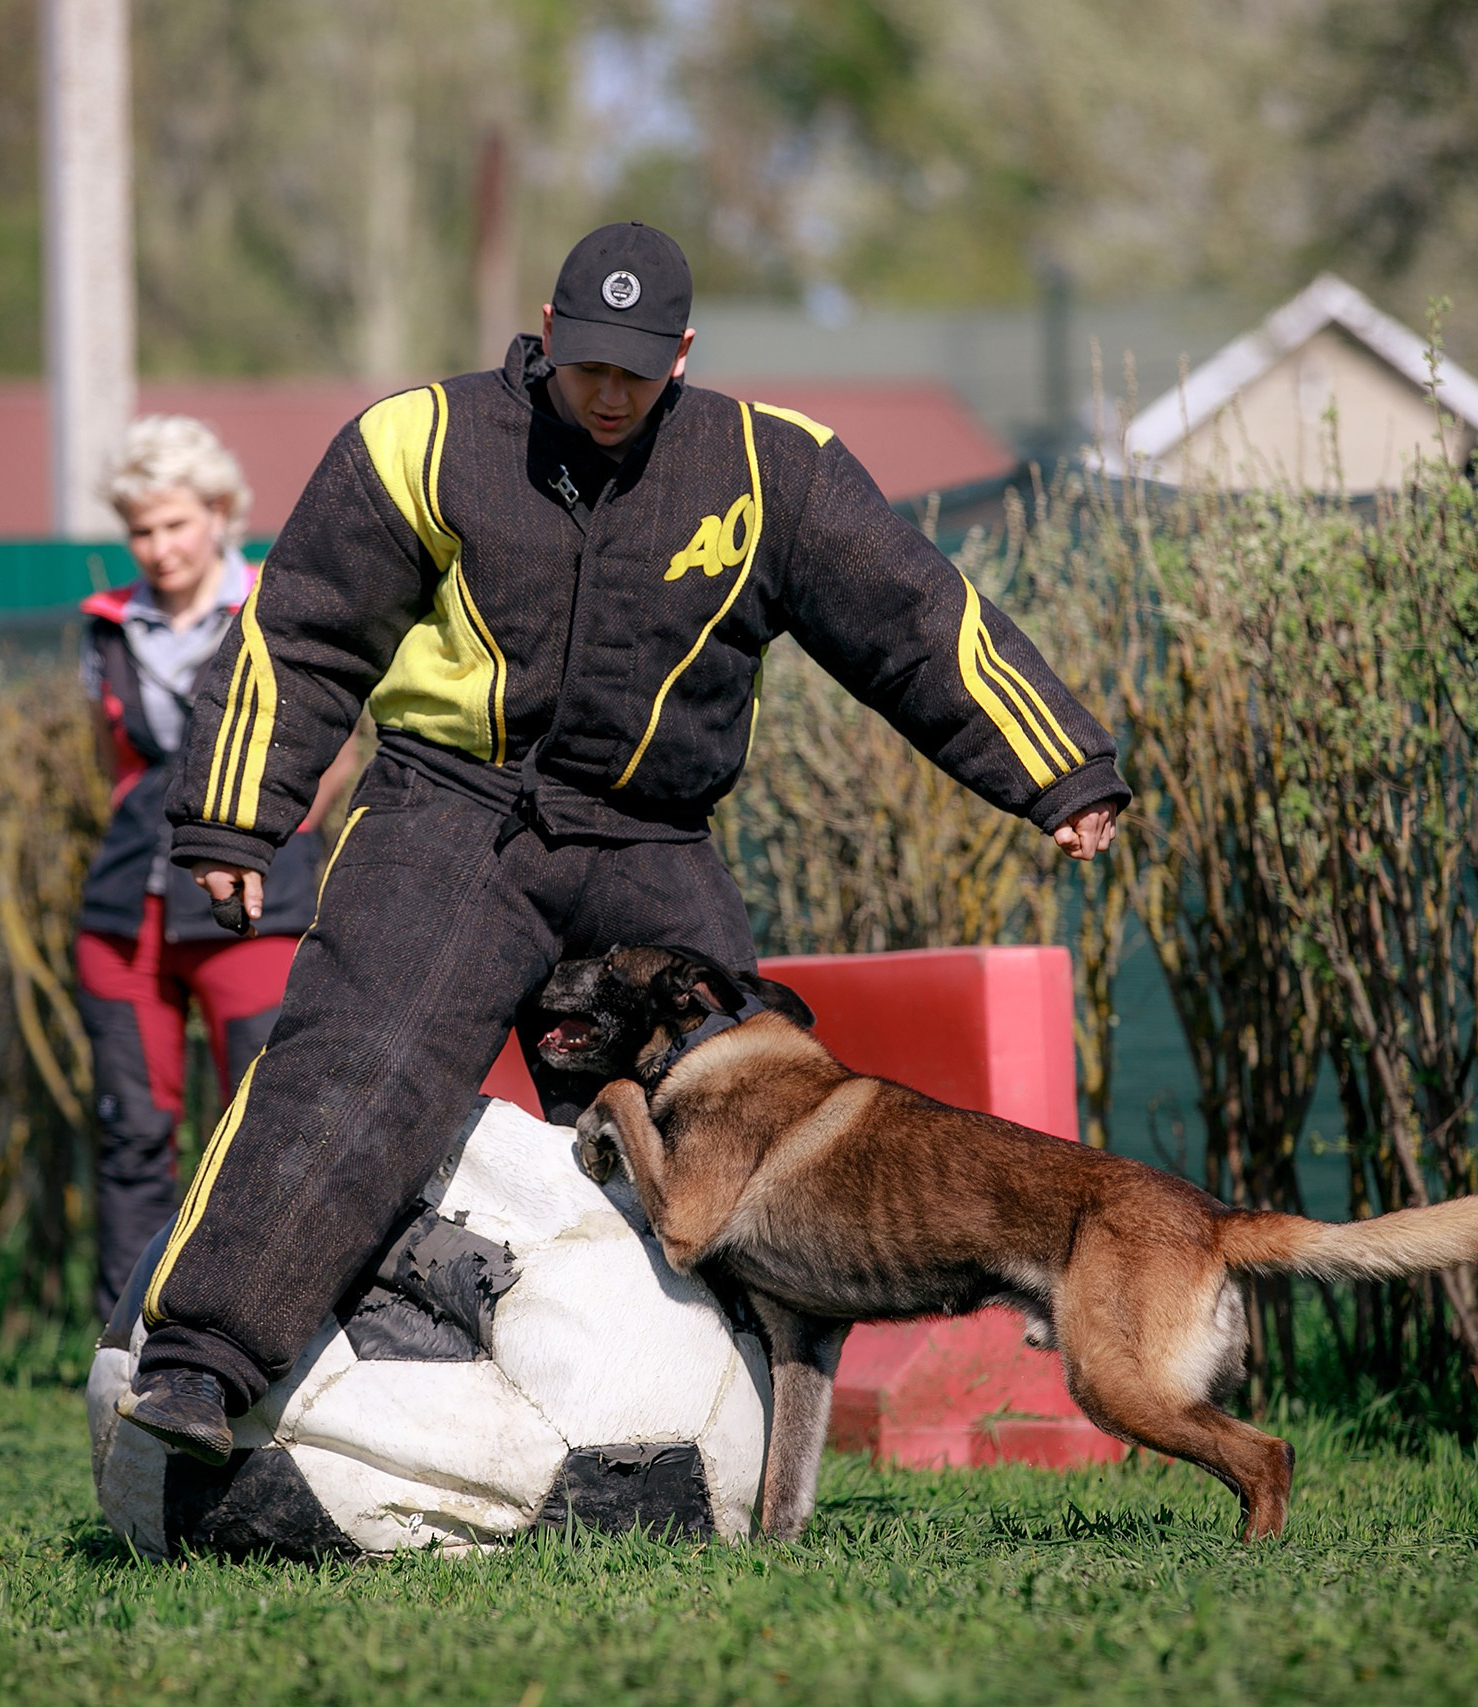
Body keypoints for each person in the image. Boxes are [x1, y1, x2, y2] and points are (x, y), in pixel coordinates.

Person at [117, 223, 1127, 1457]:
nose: (607, 393)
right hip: (450, 814)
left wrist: (1056, 769)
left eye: (635, 373)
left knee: (740, 1120)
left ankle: (730, 1445)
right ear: (548, 331)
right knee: (353, 1066)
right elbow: (303, 631)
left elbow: (915, 621)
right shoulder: (420, 441)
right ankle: (200, 1369)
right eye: (587, 363)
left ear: (682, 355)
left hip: (653, 842)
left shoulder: (773, 470)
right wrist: (235, 816)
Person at [73, 415, 354, 1319]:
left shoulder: (279, 604)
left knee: (262, 1131)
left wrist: (268, 837)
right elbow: (117, 764)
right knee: (131, 1133)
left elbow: (336, 746)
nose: (159, 548)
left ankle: (255, 1331)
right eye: (141, 530)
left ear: (221, 513)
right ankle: (125, 1343)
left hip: (253, 906)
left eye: (176, 524)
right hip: (126, 915)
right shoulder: (105, 627)